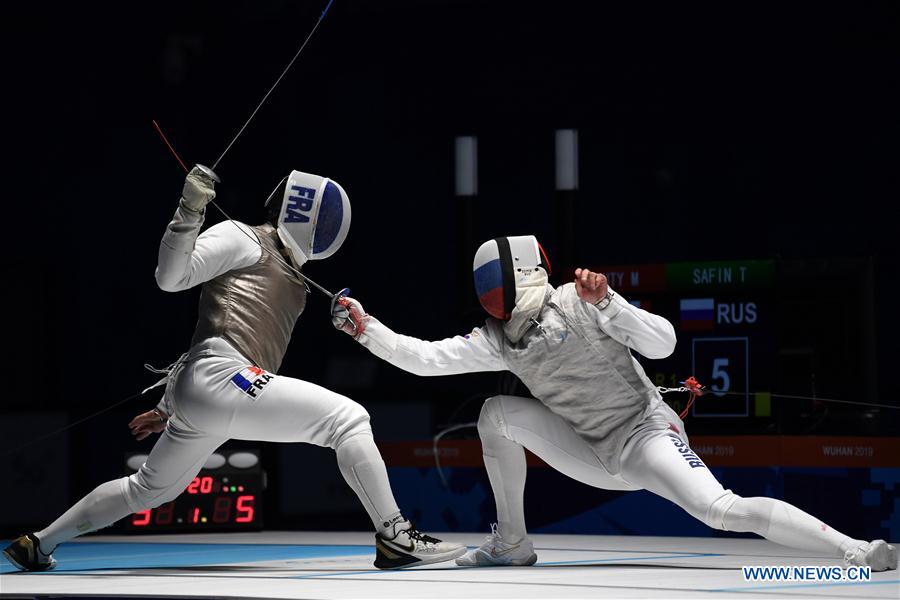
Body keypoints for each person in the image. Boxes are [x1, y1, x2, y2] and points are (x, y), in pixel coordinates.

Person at [331, 234, 897, 571]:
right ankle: (512, 543)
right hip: (596, 455)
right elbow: (424, 357)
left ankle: (856, 551)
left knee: (719, 509)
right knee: (495, 415)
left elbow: (665, 342)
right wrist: (367, 330)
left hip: (647, 437)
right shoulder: (499, 340)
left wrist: (610, 306)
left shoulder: (581, 301)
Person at [3, 166, 464, 572]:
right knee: (347, 419)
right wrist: (189, 210)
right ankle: (395, 535)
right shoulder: (245, 236)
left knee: (147, 490)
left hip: (204, 388)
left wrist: (168, 406)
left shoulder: (297, 279)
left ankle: (38, 544)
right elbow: (171, 278)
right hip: (220, 377)